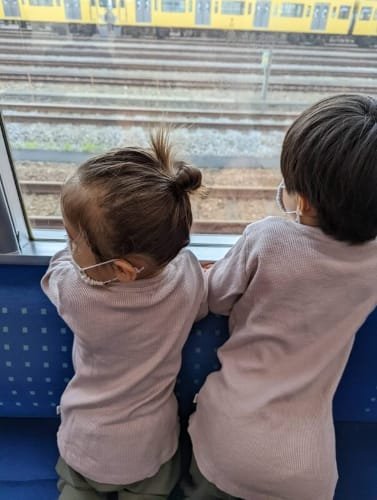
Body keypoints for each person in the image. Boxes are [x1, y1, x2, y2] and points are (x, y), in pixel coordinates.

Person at [186, 94, 377, 500]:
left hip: (229, 440)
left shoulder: (269, 238)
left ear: (302, 201)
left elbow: (214, 298)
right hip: (309, 470)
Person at [41, 129, 207, 500]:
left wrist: (69, 259)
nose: (68, 248)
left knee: (74, 487)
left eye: (72, 240)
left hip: (86, 444)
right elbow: (200, 307)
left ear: (123, 269)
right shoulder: (189, 275)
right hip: (151, 448)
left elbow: (55, 273)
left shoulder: (78, 295)